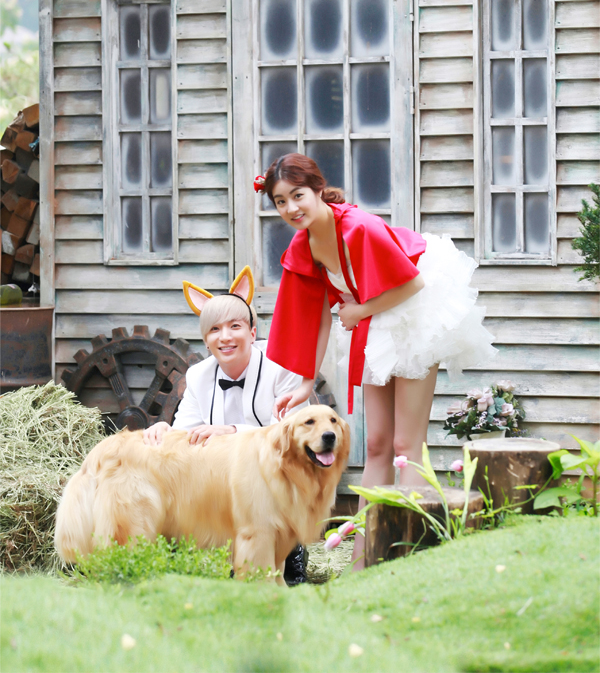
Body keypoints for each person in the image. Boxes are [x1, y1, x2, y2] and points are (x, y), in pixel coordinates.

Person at [256, 153, 497, 570]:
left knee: (406, 444)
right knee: (377, 444)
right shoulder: (305, 244)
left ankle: (409, 555)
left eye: (297, 195)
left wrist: (359, 311)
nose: (291, 208)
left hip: (413, 311)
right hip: (373, 322)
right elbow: (316, 316)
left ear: (318, 190)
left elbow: (413, 283)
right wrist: (305, 381)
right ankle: (364, 559)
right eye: (280, 201)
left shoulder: (359, 227)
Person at [143, 266, 309, 585]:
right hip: (232, 477)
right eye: (215, 329)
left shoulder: (281, 367)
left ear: (252, 332)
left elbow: (292, 434)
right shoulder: (198, 375)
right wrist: (166, 431)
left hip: (284, 469)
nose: (225, 337)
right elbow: (186, 429)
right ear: (206, 341)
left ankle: (291, 550)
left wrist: (232, 431)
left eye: (235, 326)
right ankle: (238, 550)